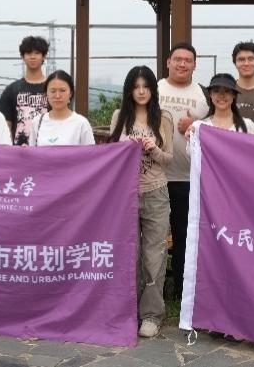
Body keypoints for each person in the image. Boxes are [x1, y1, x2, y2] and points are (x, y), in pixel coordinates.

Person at [108, 66, 174, 338]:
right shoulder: (119, 117)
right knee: (128, 253)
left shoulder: (164, 117)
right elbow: (112, 154)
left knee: (154, 255)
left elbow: (169, 158)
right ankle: (127, 311)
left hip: (156, 192)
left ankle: (151, 315)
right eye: (136, 87)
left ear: (153, 90)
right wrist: (128, 145)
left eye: (146, 86)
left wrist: (153, 148)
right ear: (129, 91)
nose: (141, 91)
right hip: (125, 194)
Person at [158, 42, 209, 300]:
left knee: (184, 236)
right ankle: (153, 290)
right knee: (153, 238)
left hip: (189, 178)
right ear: (168, 62)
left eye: (188, 60)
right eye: (177, 59)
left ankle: (181, 290)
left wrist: (196, 124)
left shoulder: (204, 94)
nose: (182, 64)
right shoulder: (154, 89)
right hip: (155, 178)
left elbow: (215, 128)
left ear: (194, 65)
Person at [0, 36, 50, 146]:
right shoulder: (11, 90)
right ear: (22, 56)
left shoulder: (53, 89)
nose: (32, 57)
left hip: (46, 150)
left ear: (44, 56)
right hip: (18, 152)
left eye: (37, 53)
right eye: (28, 53)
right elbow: (5, 126)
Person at [28, 70, 95, 146]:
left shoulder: (81, 123)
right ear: (46, 93)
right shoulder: (37, 122)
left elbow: (90, 152)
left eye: (62, 90)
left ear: (70, 93)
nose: (57, 96)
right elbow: (32, 151)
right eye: (53, 91)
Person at [187, 73, 254, 137]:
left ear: (234, 95)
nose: (221, 95)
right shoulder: (198, 126)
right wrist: (191, 138)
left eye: (227, 91)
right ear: (210, 94)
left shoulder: (248, 125)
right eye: (216, 91)